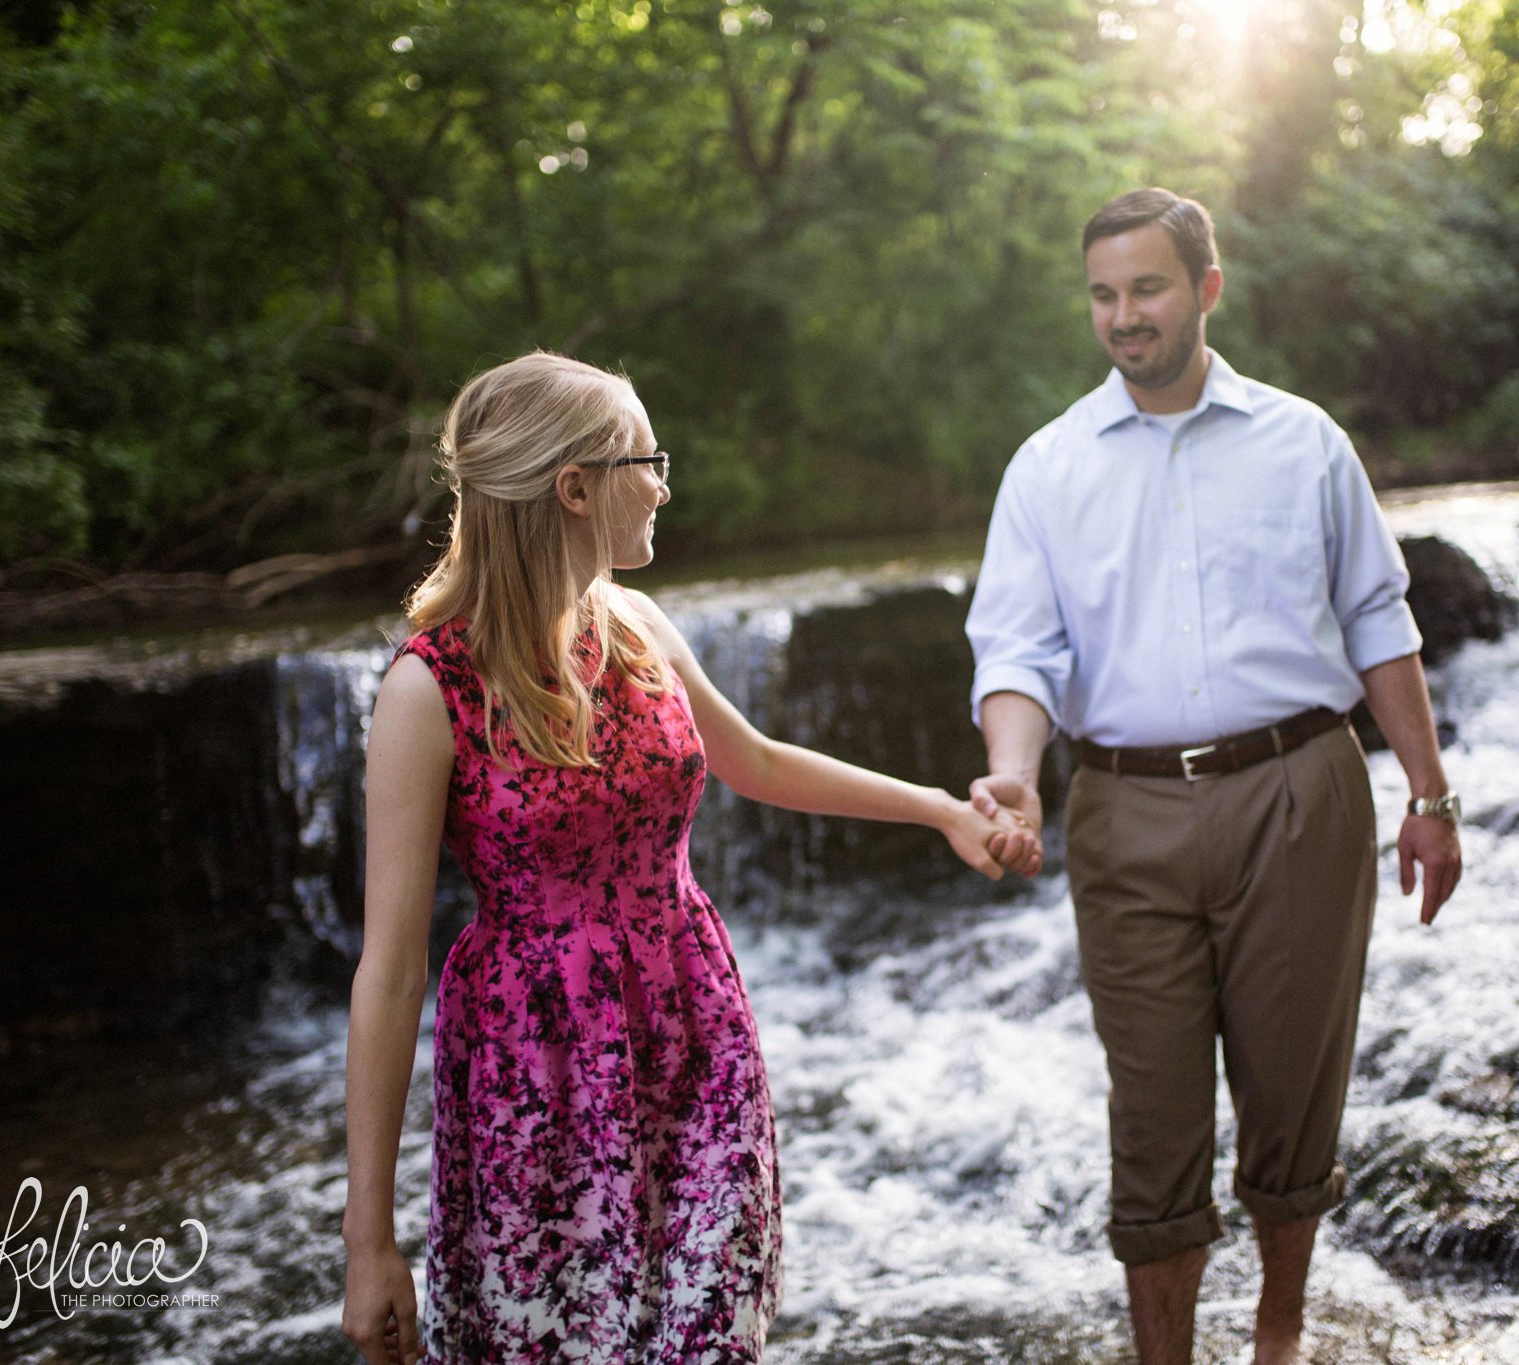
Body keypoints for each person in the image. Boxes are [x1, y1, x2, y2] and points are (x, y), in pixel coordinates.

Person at [340, 351, 1016, 1365]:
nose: (662, 483)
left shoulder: (637, 626)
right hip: (539, 1078)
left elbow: (755, 760)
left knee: (709, 1339)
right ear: (574, 490)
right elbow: (389, 976)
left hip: (693, 1036)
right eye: (644, 460)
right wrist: (367, 1242)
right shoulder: (428, 689)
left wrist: (936, 811)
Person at [965, 188, 1463, 1365]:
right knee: (1151, 1113)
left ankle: (1278, 1335)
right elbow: (1016, 651)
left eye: (1145, 288)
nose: (1123, 317)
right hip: (1122, 808)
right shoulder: (1045, 469)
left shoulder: (1304, 443)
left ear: (1205, 288)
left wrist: (1430, 798)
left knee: (1293, 1089)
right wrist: (1013, 776)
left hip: (1298, 790)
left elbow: (1376, 621)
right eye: (1102, 294)